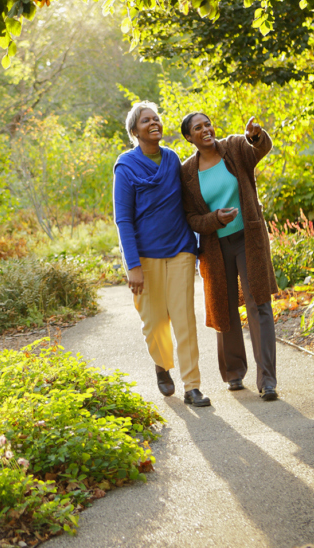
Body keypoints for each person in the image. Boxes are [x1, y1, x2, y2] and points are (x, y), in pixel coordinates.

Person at [112, 102, 210, 407]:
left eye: (156, 118)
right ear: (134, 131)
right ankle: (162, 364)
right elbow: (123, 219)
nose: (153, 123)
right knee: (154, 322)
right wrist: (133, 267)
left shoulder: (171, 159)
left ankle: (192, 386)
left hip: (180, 249)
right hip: (146, 257)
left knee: (184, 320)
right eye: (146, 120)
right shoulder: (125, 167)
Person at [179, 112, 280, 401]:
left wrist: (256, 136)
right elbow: (192, 218)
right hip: (215, 248)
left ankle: (267, 379)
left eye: (207, 124)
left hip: (249, 241)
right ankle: (234, 373)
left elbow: (259, 150)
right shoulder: (187, 172)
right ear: (189, 137)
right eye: (198, 128)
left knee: (258, 304)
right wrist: (215, 219)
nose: (206, 130)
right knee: (224, 308)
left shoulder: (235, 147)